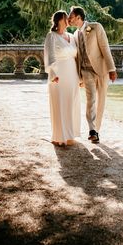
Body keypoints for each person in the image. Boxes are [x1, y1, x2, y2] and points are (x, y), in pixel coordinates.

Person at [68, 6, 117, 144]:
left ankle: (97, 129)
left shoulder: (96, 27)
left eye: (71, 17)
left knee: (101, 100)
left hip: (101, 69)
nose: (69, 19)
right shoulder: (75, 35)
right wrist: (78, 76)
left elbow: (105, 48)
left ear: (78, 17)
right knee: (91, 100)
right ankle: (92, 130)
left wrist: (112, 69)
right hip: (86, 71)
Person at [43, 10, 81, 147]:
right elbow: (49, 55)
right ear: (59, 20)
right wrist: (53, 74)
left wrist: (80, 77)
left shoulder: (71, 36)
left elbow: (77, 57)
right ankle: (59, 136)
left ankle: (70, 134)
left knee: (72, 102)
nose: (69, 20)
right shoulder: (51, 36)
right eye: (66, 18)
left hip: (72, 73)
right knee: (59, 103)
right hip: (58, 74)